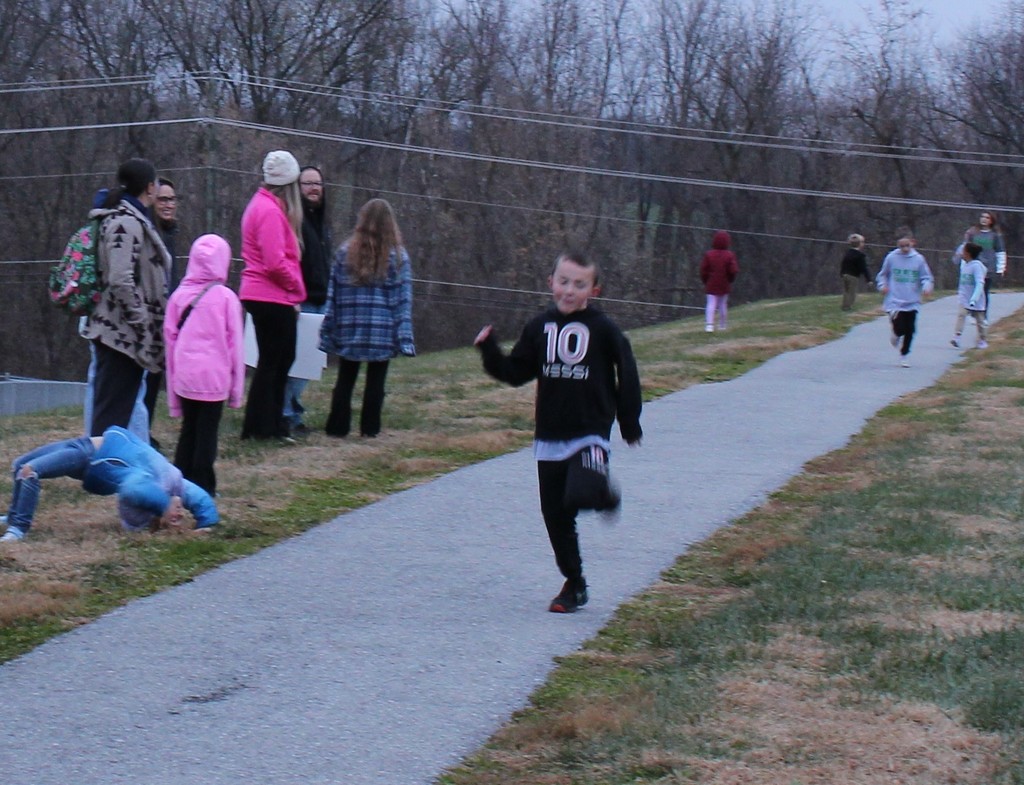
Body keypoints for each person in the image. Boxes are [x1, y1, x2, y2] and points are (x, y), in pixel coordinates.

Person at [473, 251, 643, 614]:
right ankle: (574, 583)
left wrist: (629, 422)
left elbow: (627, 372)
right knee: (556, 517)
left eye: (579, 284)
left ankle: (603, 495)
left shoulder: (604, 329)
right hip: (550, 435)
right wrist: (489, 350)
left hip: (590, 432)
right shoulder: (538, 327)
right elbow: (515, 372)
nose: (569, 290)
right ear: (550, 283)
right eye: (563, 282)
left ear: (593, 290)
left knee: (579, 491)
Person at [1, 426, 218, 543]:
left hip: (86, 457)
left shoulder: (146, 485)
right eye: (179, 514)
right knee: (19, 465)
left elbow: (133, 490)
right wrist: (206, 522)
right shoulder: (175, 484)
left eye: (174, 519)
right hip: (84, 443)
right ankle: (13, 516)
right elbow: (200, 498)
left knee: (29, 472)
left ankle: (18, 529)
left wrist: (164, 505)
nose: (179, 513)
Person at [81, 158, 171, 437]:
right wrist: (141, 320)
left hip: (125, 335)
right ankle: (101, 468)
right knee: (111, 417)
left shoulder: (130, 219)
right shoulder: (125, 223)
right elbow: (121, 279)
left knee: (119, 412)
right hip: (119, 335)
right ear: (149, 187)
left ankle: (112, 466)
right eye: (156, 183)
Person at [319, 198, 415, 438]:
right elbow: (402, 300)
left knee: (345, 378)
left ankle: (337, 427)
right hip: (381, 331)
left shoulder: (344, 253)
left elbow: (334, 293)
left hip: (351, 328)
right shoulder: (399, 257)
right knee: (376, 383)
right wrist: (403, 336)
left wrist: (330, 328)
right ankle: (370, 429)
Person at [163, 234, 246, 495]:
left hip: (186, 378)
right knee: (207, 434)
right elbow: (236, 347)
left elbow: (169, 344)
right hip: (215, 378)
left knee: (188, 430)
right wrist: (236, 392)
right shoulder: (226, 298)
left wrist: (172, 395)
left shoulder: (177, 297)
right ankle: (203, 486)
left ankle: (179, 481)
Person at [239, 150, 307, 441]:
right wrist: (296, 288)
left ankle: (259, 425)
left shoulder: (261, 206)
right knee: (276, 361)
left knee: (272, 361)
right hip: (271, 295)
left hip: (262, 293)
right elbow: (275, 262)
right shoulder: (269, 211)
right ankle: (267, 426)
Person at [283, 165, 333, 435]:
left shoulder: (321, 223)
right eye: (307, 183)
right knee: (298, 366)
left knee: (309, 365)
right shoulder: (294, 220)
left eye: (318, 183)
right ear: (298, 188)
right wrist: (294, 297)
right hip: (302, 302)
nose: (314, 188)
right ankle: (288, 416)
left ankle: (292, 413)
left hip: (321, 300)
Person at [143, 176, 182, 448]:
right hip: (148, 317)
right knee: (144, 380)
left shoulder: (169, 234)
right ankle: (138, 433)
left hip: (166, 317)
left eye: (172, 199)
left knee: (154, 379)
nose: (168, 204)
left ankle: (143, 429)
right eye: (162, 199)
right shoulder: (148, 234)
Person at [876, 233, 934, 368]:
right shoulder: (891, 257)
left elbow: (926, 277)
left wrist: (926, 287)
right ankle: (896, 333)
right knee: (899, 326)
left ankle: (904, 354)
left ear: (913, 243)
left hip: (912, 300)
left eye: (907, 246)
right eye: (901, 246)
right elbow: (882, 275)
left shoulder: (918, 259)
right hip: (894, 299)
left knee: (910, 329)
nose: (905, 249)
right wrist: (882, 286)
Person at [960, 210, 1007, 324]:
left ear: (991, 221)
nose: (984, 219)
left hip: (988, 267)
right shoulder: (973, 233)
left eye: (987, 217)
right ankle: (972, 314)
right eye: (982, 217)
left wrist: (1001, 268)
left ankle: (983, 316)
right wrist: (963, 265)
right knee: (972, 291)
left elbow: (1000, 252)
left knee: (984, 292)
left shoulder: (995, 236)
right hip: (973, 266)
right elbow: (965, 250)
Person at [951, 241, 988, 350]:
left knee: (980, 321)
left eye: (963, 251)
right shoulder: (964, 264)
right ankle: (957, 336)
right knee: (961, 315)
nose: (961, 253)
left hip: (976, 299)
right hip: (964, 297)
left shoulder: (976, 266)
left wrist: (974, 299)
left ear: (968, 254)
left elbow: (980, 283)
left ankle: (982, 340)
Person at [699, 230, 739, 332]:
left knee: (711, 304)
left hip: (711, 283)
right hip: (724, 283)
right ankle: (722, 325)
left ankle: (709, 325)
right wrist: (730, 280)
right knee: (722, 305)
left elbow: (703, 270)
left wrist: (706, 281)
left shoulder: (709, 255)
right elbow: (733, 270)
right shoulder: (729, 255)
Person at [840, 233, 871, 310]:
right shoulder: (860, 255)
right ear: (860, 244)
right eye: (862, 242)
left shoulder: (847, 253)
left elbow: (843, 263)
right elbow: (863, 268)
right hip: (853, 276)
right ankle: (848, 306)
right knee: (852, 292)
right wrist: (868, 279)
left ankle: (845, 305)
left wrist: (842, 273)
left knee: (846, 291)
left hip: (845, 274)